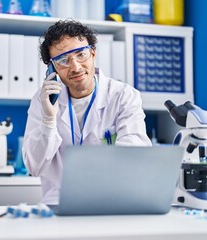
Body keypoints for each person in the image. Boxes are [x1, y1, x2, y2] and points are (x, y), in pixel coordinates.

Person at [22, 19, 152, 205]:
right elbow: (34, 167)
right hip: (59, 201)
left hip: (113, 199)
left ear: (92, 53)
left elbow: (135, 159)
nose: (75, 67)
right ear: (52, 68)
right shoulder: (42, 101)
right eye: (63, 60)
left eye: (80, 55)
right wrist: (48, 120)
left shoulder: (123, 96)